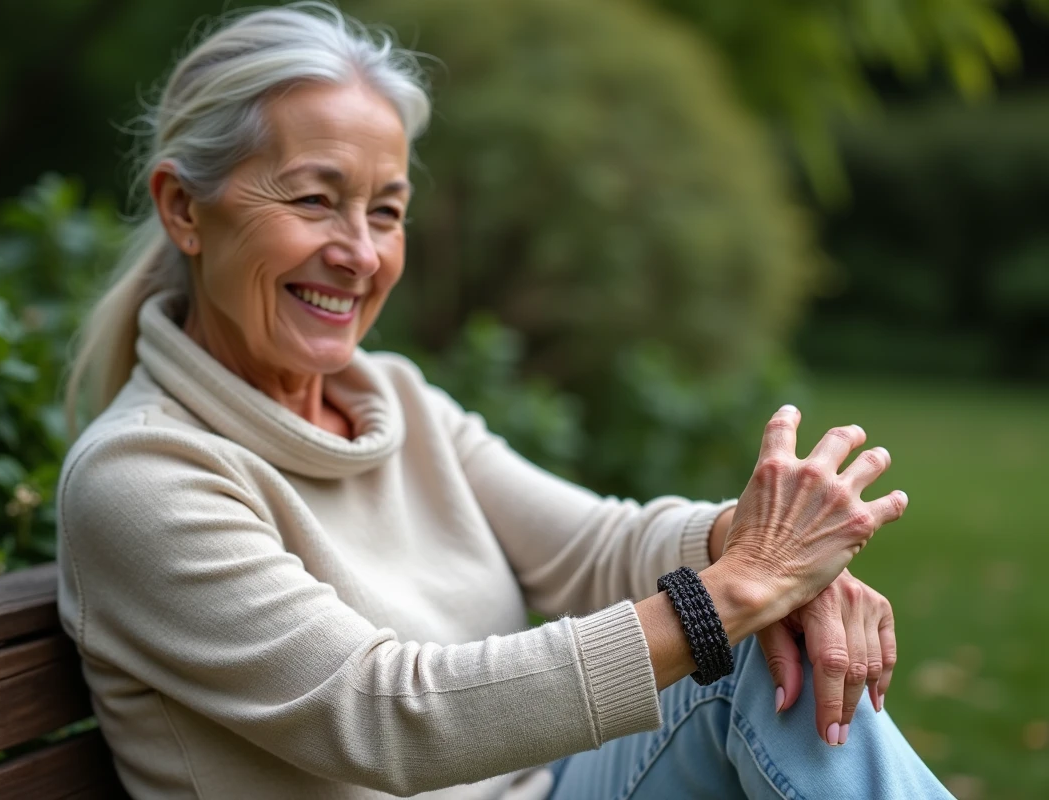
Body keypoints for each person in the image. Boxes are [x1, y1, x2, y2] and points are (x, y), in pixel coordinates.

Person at [58, 4, 952, 798]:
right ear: (184, 207)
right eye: (314, 199)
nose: (361, 254)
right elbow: (385, 716)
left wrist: (763, 554)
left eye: (385, 211)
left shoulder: (393, 401)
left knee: (758, 654)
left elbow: (593, 545)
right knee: (738, 641)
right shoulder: (143, 477)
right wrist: (740, 591)